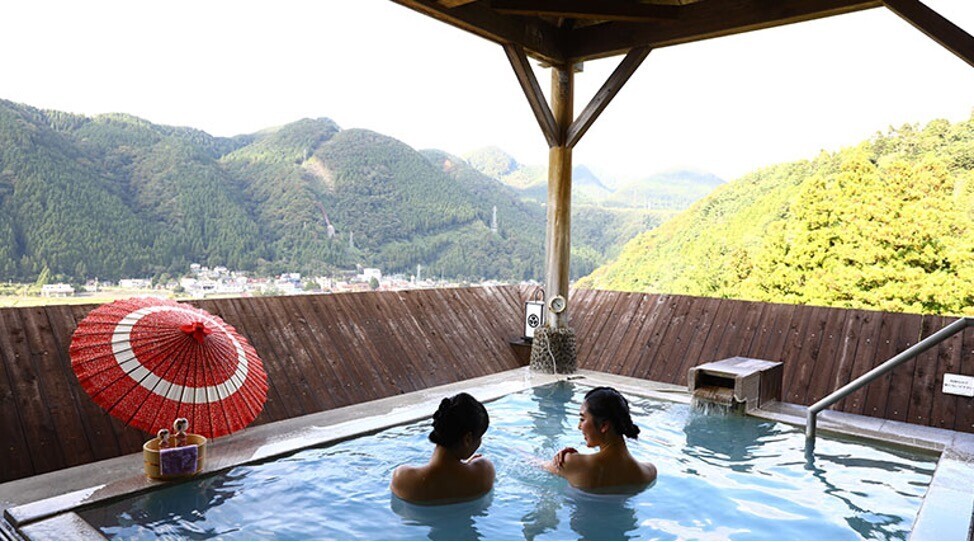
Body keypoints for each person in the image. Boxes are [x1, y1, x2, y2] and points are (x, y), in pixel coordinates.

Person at [544, 386, 657, 491]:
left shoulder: (573, 464)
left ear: (604, 426)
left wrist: (570, 460)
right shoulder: (649, 472)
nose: (579, 426)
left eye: (582, 419)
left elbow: (534, 464)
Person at [391, 392, 495, 504]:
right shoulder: (483, 472)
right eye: (480, 437)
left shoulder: (402, 478)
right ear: (468, 439)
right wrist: (468, 466)